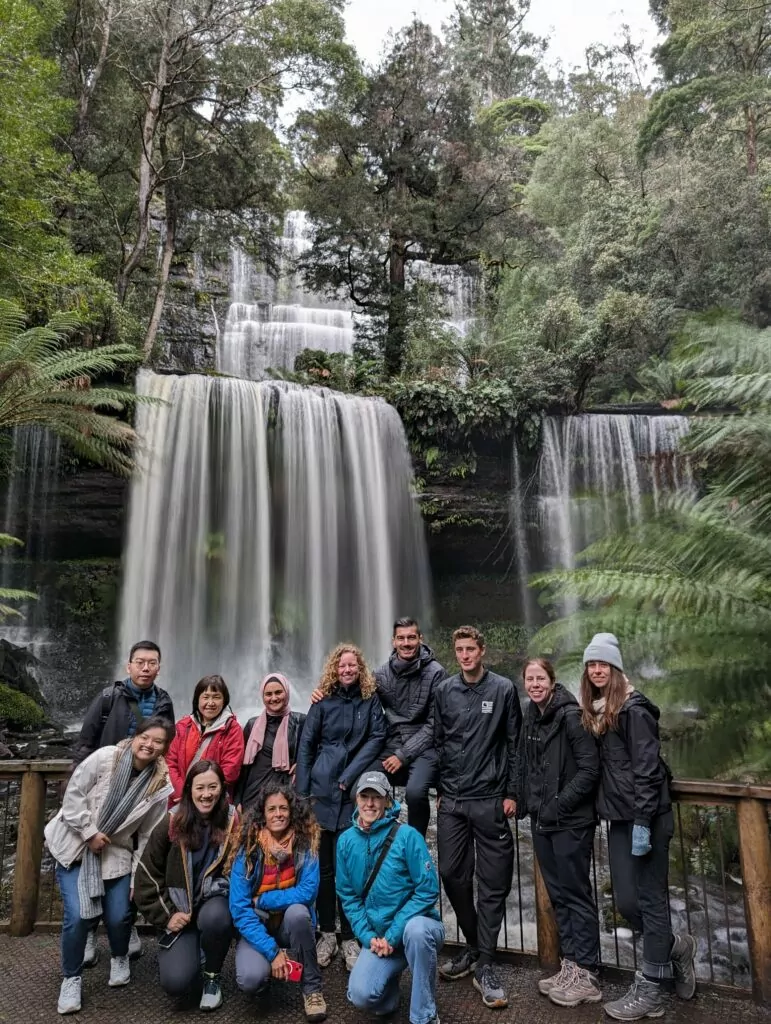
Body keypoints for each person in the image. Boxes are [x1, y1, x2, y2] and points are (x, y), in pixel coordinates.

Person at [580, 632, 696, 1021]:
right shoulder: (599, 712)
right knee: (627, 901)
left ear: (616, 669)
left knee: (649, 899)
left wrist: (644, 822)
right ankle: (676, 946)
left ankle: (651, 991)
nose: (596, 670)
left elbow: (646, 771)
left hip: (646, 818)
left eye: (603, 664)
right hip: (619, 819)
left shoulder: (635, 711)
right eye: (591, 664)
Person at [45, 716, 174, 1015]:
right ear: (136, 736)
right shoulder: (105, 758)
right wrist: (89, 833)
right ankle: (72, 977)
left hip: (116, 854)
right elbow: (72, 796)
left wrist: (136, 880)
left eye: (157, 741)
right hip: (74, 846)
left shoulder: (159, 786)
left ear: (165, 748)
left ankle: (119, 956)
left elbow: (148, 836)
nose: (149, 744)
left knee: (118, 917)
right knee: (76, 916)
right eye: (145, 737)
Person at [433, 625, 521, 1010]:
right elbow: (438, 741)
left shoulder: (503, 690)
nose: (465, 655)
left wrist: (512, 792)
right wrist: (439, 789)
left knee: (494, 882)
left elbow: (514, 744)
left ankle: (485, 963)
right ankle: (474, 945)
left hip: (489, 798)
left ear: (483, 651)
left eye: (471, 649)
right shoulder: (444, 691)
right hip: (453, 799)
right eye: (460, 649)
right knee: (452, 874)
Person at [72, 640, 175, 963]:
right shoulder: (108, 698)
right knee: (91, 860)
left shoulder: (163, 701)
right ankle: (88, 931)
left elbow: (167, 745)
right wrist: (79, 790)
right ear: (128, 666)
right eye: (140, 662)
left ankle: (124, 925)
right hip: (105, 790)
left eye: (152, 662)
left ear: (159, 667)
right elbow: (85, 743)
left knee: (132, 863)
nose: (146, 668)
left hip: (142, 795)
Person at [515, 658, 601, 1007]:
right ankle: (571, 965)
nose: (535, 684)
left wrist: (558, 804)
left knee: (577, 893)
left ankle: (589, 973)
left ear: (552, 681)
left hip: (570, 820)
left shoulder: (570, 715)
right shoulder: (531, 716)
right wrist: (525, 801)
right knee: (559, 894)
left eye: (540, 678)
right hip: (542, 820)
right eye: (529, 679)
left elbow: (589, 768)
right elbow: (527, 764)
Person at [296, 643, 386, 972]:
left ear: (359, 668)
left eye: (352, 665)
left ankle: (350, 937)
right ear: (334, 669)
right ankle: (327, 934)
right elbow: (306, 745)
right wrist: (302, 794)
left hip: (351, 795)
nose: (346, 670)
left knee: (350, 870)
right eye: (341, 666)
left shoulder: (369, 700)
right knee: (323, 870)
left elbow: (377, 737)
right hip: (321, 790)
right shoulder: (323, 701)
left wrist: (352, 774)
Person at [337, 771, 445, 1024]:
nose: (370, 804)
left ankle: (425, 1015)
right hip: (379, 937)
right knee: (361, 995)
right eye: (365, 796)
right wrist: (368, 938)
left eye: (377, 797)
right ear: (356, 799)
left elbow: (427, 890)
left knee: (417, 932)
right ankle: (390, 992)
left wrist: (394, 935)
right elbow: (349, 897)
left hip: (416, 930)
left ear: (387, 801)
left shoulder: (407, 836)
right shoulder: (345, 842)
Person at [134, 761, 238, 1011]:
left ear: (222, 788)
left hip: (213, 901)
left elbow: (240, 869)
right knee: (176, 984)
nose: (206, 794)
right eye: (200, 787)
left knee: (216, 917)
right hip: (180, 909)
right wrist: (167, 915)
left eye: (213, 787)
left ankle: (212, 975)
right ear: (189, 788)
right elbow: (146, 875)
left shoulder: (232, 820)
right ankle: (193, 952)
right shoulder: (171, 824)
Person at [229, 782, 328, 1023]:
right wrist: (272, 953)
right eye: (271, 809)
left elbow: (307, 892)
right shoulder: (248, 848)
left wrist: (263, 899)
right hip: (258, 925)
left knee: (298, 913)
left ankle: (312, 990)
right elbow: (240, 908)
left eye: (283, 808)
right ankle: (267, 973)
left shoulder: (306, 842)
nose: (278, 814)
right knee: (250, 979)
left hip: (287, 924)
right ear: (263, 813)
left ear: (292, 811)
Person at [370, 618, 446, 837]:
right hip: (392, 743)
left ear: (420, 639)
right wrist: (324, 691)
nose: (406, 643)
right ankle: (378, 843)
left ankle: (416, 843)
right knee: (362, 784)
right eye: (401, 638)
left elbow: (435, 724)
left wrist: (403, 755)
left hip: (425, 748)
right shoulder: (382, 674)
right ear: (393, 641)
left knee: (414, 792)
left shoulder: (436, 673)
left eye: (411, 637)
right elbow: (359, 697)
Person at [166, 675, 244, 805]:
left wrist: (204, 793)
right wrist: (181, 794)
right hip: (180, 801)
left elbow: (230, 770)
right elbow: (170, 762)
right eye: (205, 697)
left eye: (216, 697)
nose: (210, 703)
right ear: (197, 700)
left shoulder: (232, 729)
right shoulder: (183, 726)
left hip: (213, 801)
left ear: (224, 700)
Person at [234, 673, 306, 811]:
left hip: (284, 793)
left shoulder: (300, 722)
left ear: (287, 692)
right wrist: (238, 799)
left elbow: (314, 751)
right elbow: (244, 768)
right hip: (254, 793)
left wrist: (302, 764)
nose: (274, 698)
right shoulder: (252, 725)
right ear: (263, 696)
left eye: (278, 692)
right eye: (268, 694)